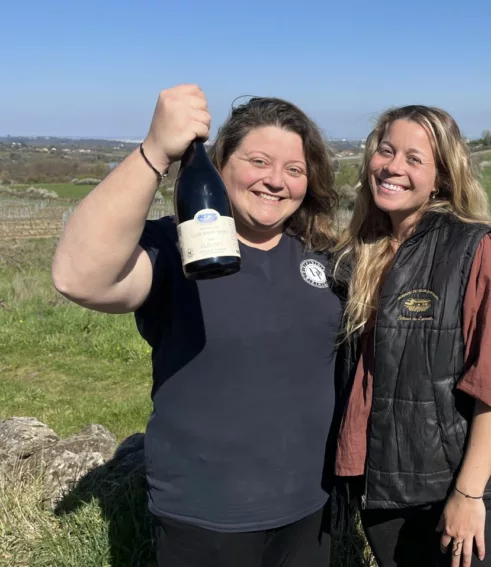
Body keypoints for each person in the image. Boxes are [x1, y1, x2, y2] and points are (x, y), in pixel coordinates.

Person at [51, 84, 343, 567]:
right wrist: (154, 151)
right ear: (220, 164)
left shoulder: (323, 256)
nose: (276, 181)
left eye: (294, 169)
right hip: (207, 516)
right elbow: (77, 277)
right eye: (258, 161)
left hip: (308, 508)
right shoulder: (179, 246)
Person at [332, 105, 491, 567]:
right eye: (386, 151)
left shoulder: (474, 249)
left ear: (442, 179)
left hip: (455, 492)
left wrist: (468, 495)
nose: (393, 167)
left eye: (414, 159)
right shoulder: (359, 254)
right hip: (383, 490)